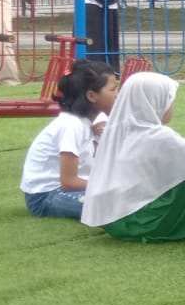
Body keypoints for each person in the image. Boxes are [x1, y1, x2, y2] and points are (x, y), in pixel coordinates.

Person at [80, 73, 185, 242]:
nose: (171, 106)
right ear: (154, 101)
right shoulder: (157, 136)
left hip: (112, 218)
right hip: (144, 222)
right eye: (169, 100)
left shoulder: (115, 130)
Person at [19, 61, 118, 219]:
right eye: (113, 89)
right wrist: (108, 186)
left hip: (68, 189)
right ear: (92, 96)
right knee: (113, 204)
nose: (117, 95)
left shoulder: (85, 123)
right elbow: (68, 182)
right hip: (47, 196)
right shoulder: (72, 126)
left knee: (123, 194)